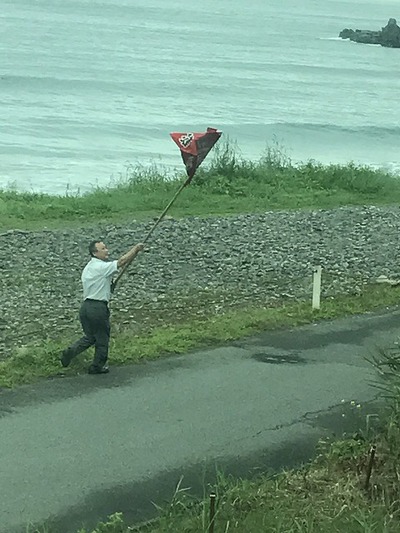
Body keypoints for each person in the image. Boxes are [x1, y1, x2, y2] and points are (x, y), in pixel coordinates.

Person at [60, 239, 144, 374]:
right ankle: (97, 366)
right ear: (94, 253)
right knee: (102, 338)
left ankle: (69, 352)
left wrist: (109, 287)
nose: (107, 251)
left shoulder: (88, 268)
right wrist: (135, 249)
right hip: (97, 308)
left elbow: (99, 284)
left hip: (86, 307)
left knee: (90, 337)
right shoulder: (100, 267)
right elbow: (121, 262)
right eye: (103, 249)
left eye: (106, 248)